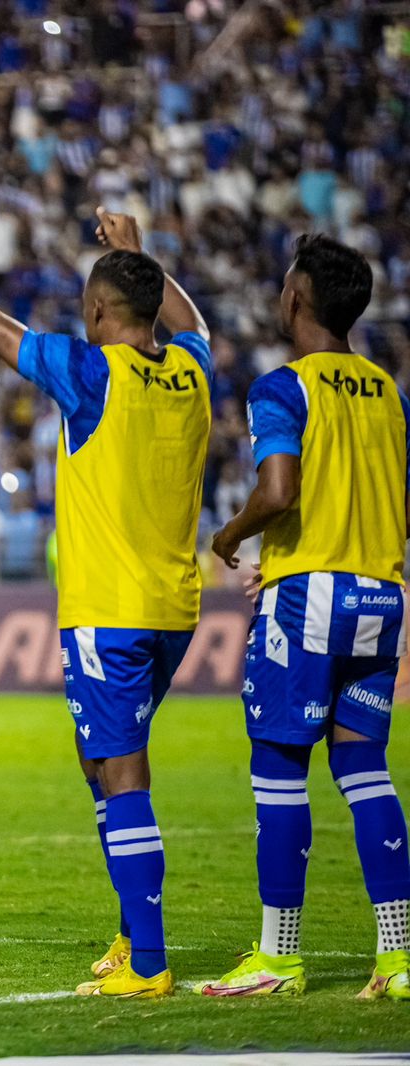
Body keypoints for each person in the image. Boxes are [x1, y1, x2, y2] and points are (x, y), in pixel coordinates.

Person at [0, 205, 211, 997]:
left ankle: (150, 963)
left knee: (123, 772)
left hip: (110, 608)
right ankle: (132, 929)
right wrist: (139, 254)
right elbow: (192, 320)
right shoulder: (195, 366)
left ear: (99, 312)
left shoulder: (93, 369)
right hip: (174, 606)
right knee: (97, 757)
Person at [199, 235, 410, 1001]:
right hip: (383, 598)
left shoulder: (282, 388)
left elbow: (280, 491)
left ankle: (278, 958)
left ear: (296, 299)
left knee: (279, 770)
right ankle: (399, 957)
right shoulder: (391, 394)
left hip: (311, 600)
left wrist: (230, 536)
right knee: (364, 769)